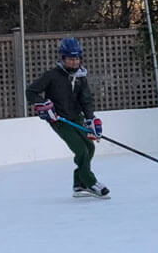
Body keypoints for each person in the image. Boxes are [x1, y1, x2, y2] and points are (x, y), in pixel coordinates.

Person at [26, 37, 108, 198]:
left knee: (89, 147)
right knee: (80, 149)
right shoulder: (51, 76)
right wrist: (44, 105)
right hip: (59, 120)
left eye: (77, 58)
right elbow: (31, 92)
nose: (74, 62)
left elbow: (86, 99)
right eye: (70, 58)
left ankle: (78, 184)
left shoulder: (81, 77)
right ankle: (90, 183)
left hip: (76, 117)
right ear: (62, 58)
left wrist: (90, 119)